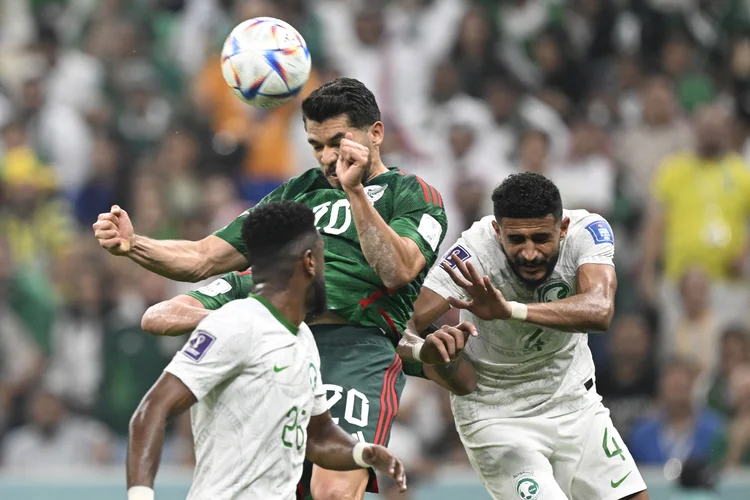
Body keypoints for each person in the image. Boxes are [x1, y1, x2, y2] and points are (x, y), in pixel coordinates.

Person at [94, 77, 448, 499]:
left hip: (357, 347)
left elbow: (399, 270)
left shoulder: (411, 194)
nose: (327, 157)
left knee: (333, 491)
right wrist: (135, 244)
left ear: (376, 133)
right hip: (286, 341)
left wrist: (356, 194)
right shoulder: (298, 193)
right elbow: (206, 256)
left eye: (337, 141)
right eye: (316, 146)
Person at [126, 201, 407, 500]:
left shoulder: (302, 338)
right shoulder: (236, 324)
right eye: (326, 260)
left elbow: (319, 436)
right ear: (310, 262)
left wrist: (364, 453)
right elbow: (152, 410)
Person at [398, 172, 649, 500]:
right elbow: (401, 323)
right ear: (497, 232)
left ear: (562, 228)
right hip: (497, 415)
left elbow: (600, 311)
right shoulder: (473, 251)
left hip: (573, 401)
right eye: (516, 240)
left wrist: (510, 310)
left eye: (541, 238)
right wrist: (423, 351)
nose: (530, 253)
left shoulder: (586, 233)